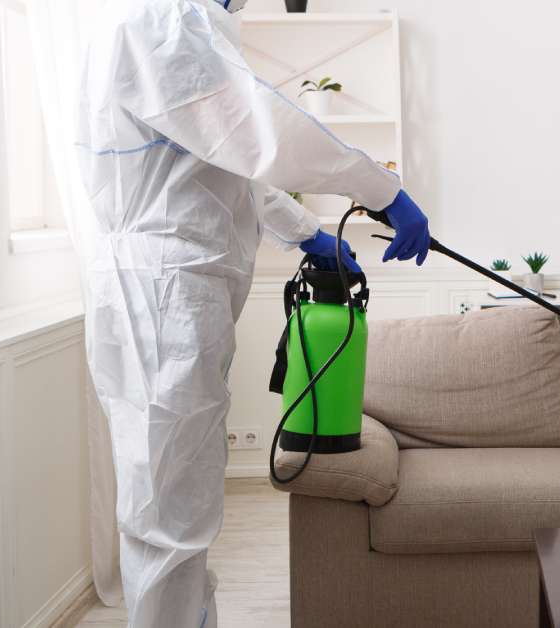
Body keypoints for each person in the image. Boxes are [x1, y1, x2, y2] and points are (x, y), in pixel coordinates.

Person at [76, 0, 431, 625]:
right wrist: (383, 190)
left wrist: (303, 233)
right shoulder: (162, 22)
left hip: (166, 288)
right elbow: (259, 131)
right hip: (161, 291)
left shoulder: (187, 27)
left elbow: (224, 158)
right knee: (170, 515)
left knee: (177, 504)